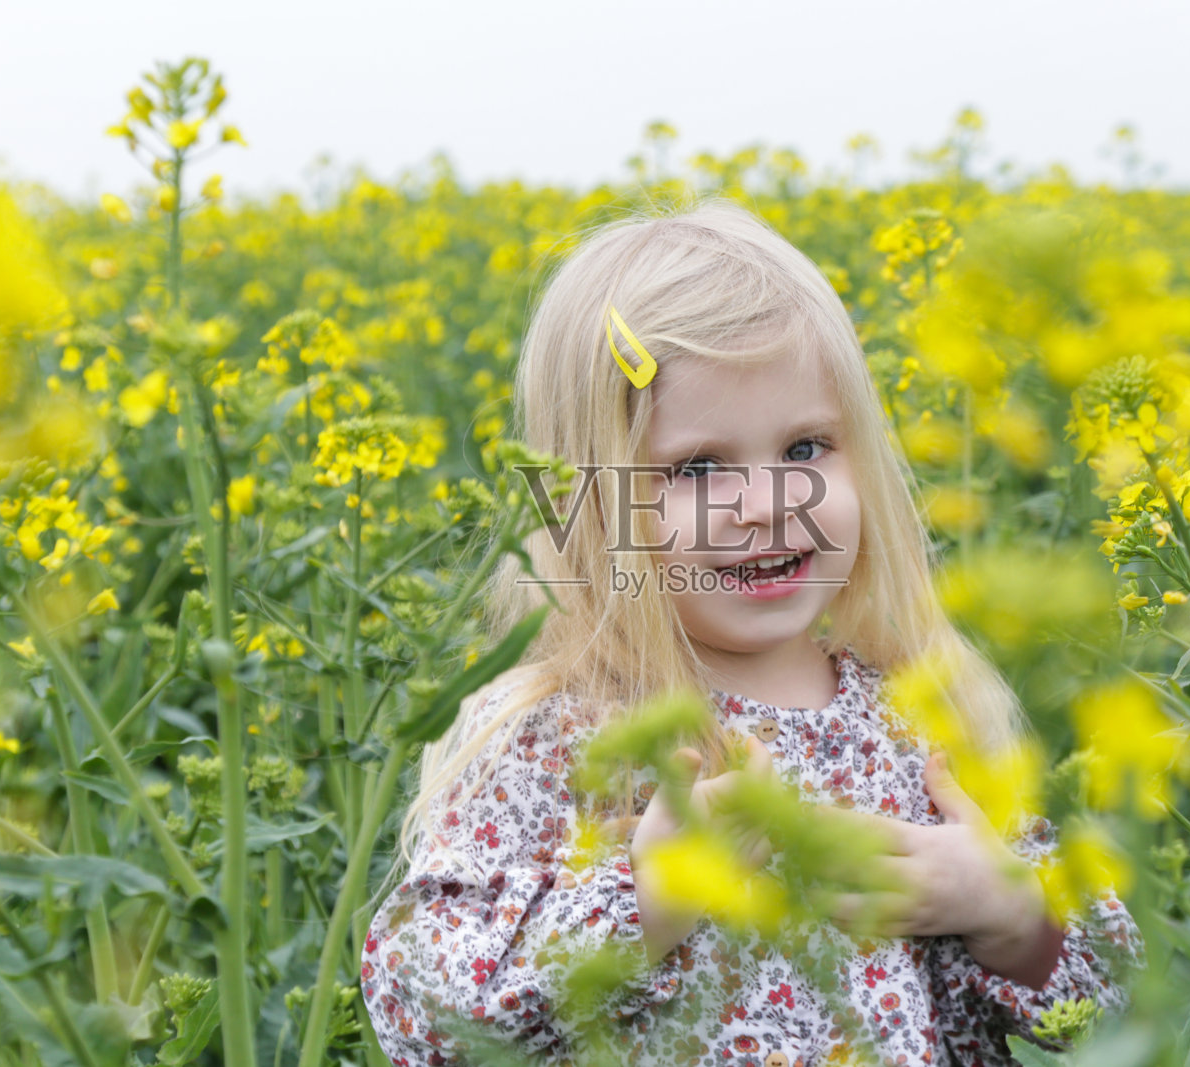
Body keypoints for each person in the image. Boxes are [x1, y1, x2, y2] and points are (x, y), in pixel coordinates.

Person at [360, 199, 1142, 1066]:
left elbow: (1115, 1001)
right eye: (698, 468)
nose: (767, 505)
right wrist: (645, 900)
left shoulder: (921, 709)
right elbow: (423, 1019)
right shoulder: (557, 731)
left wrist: (1008, 915)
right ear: (593, 502)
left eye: (806, 449)